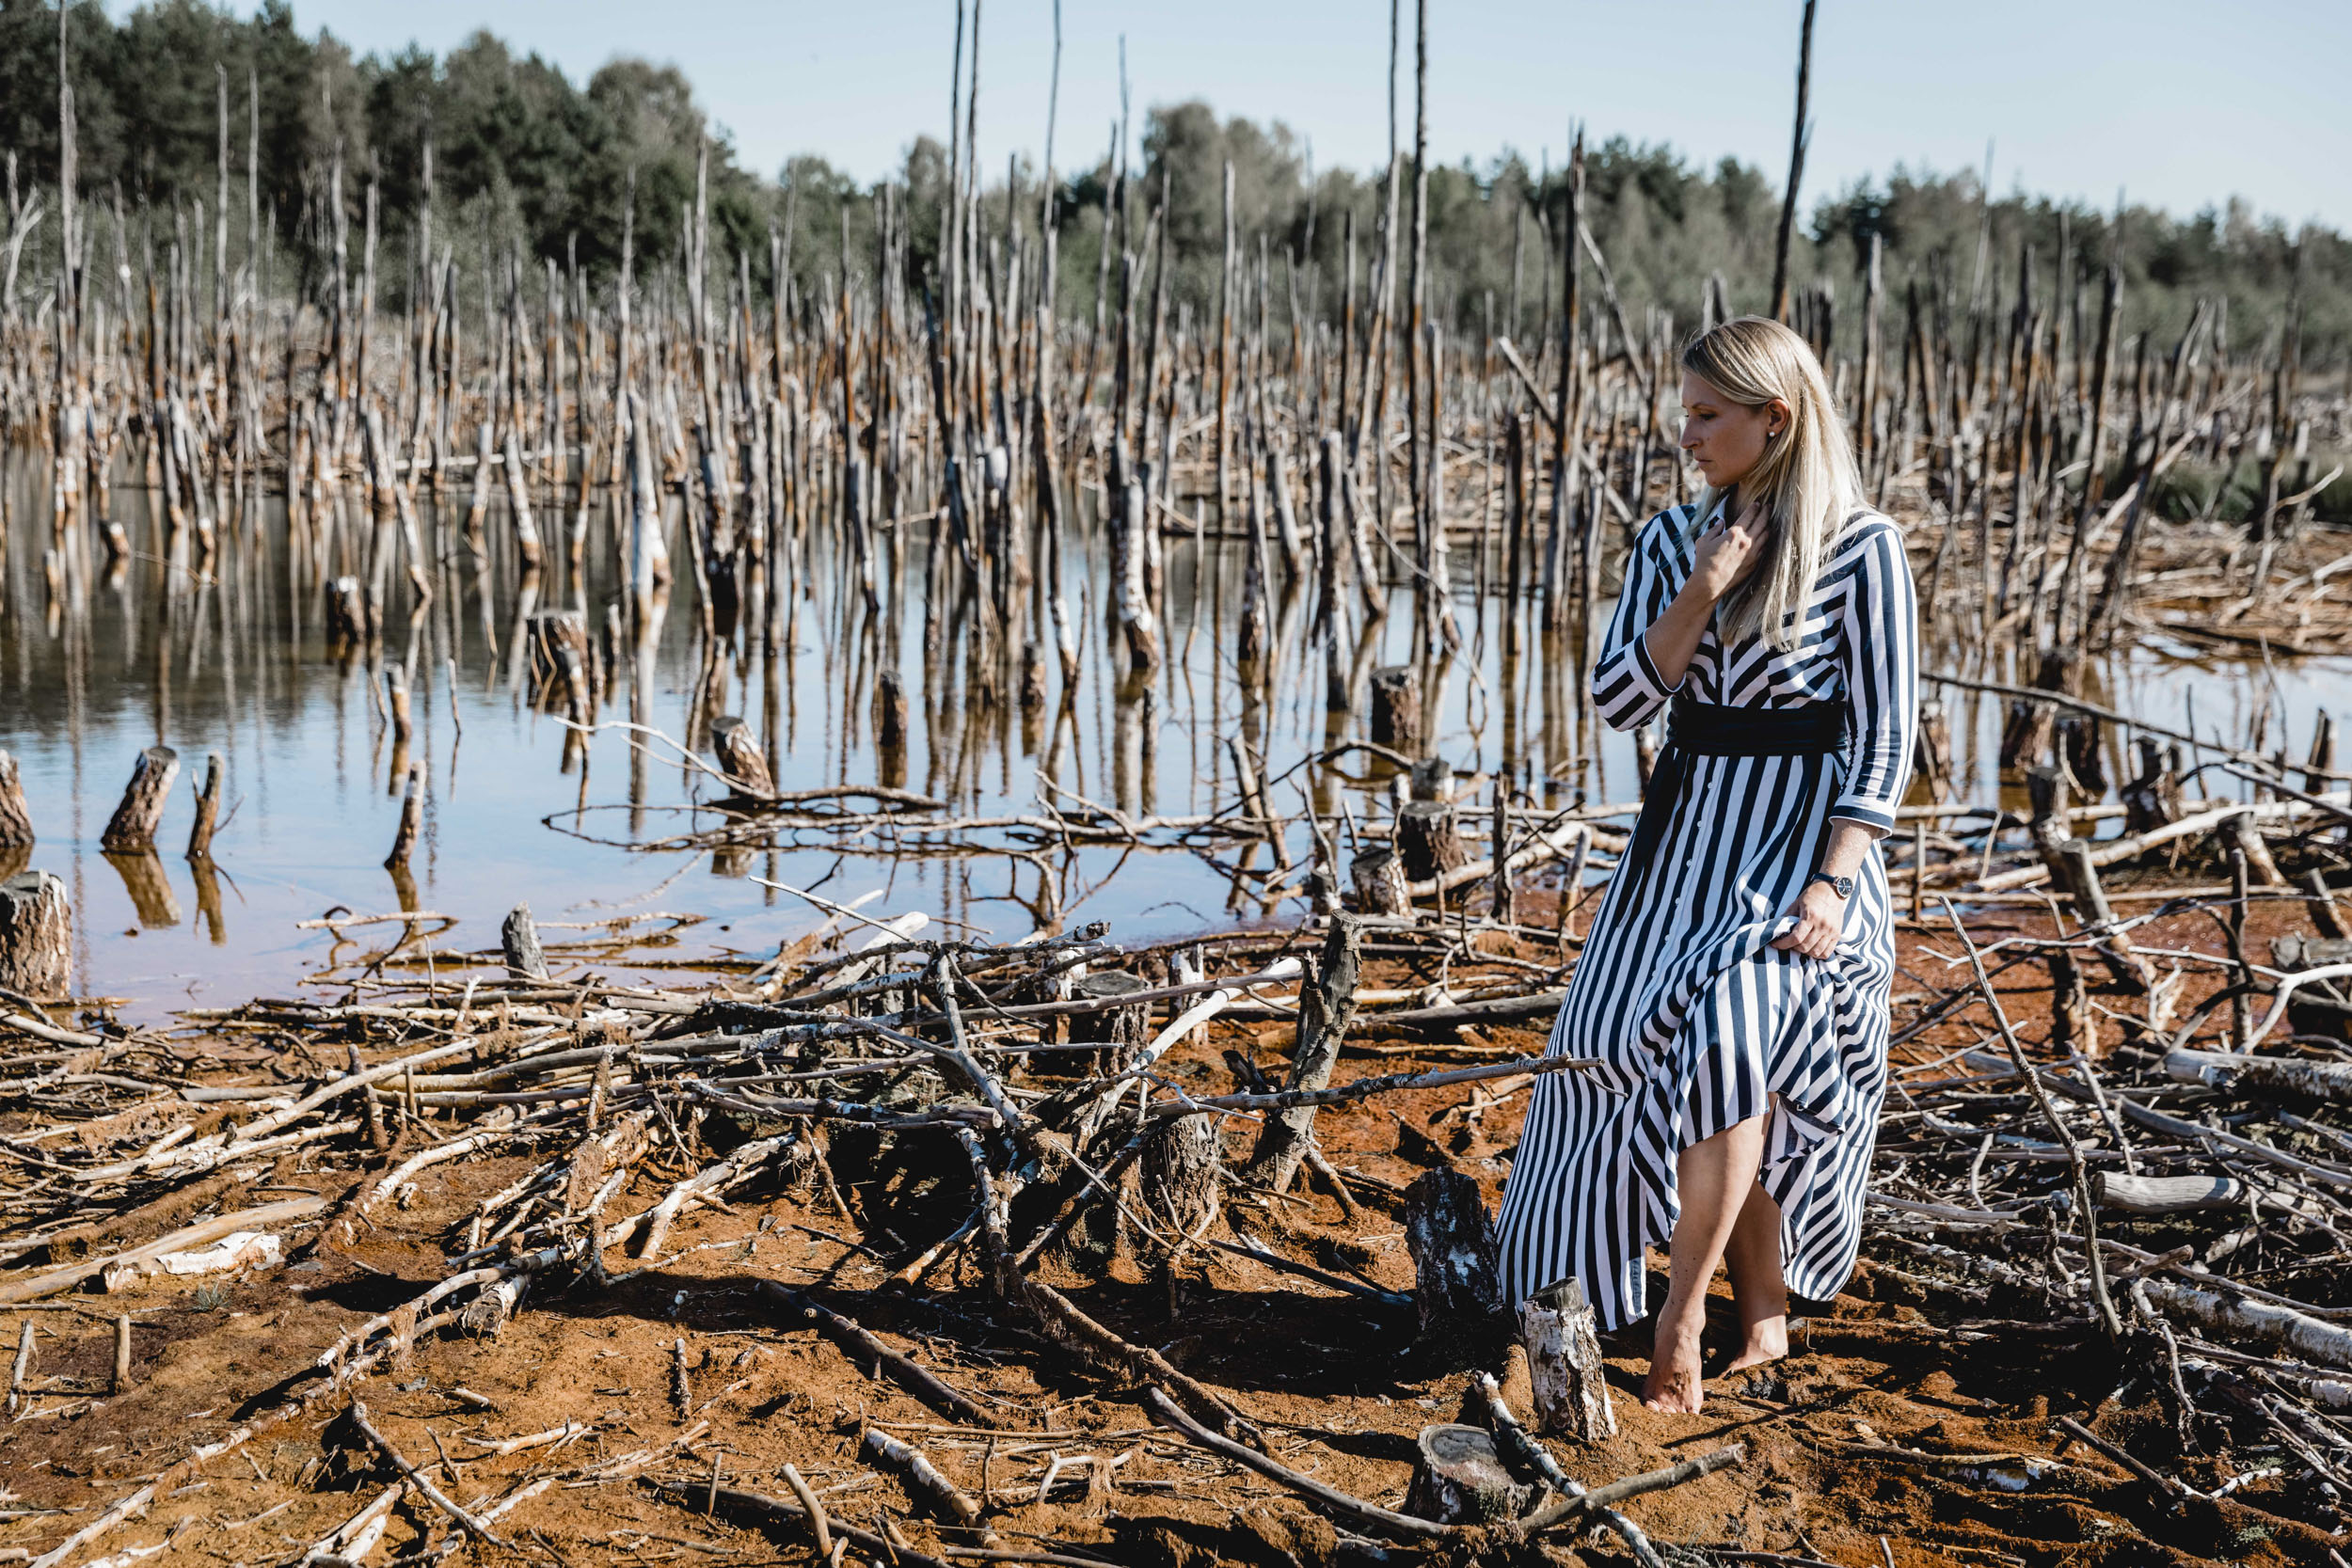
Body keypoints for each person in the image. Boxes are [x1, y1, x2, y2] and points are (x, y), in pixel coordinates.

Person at [1493, 314, 1918, 1414]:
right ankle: (1743, 1288)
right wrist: (1698, 588)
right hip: (1682, 846)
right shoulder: (1669, 539)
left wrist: (1833, 881)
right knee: (1603, 1041)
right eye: (1683, 411)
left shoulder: (1862, 547)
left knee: (1736, 1033)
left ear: (1773, 421)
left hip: (1805, 853)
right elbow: (1622, 700)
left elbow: (1883, 734)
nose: (1683, 433)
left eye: (1704, 415)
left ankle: (1681, 1314)